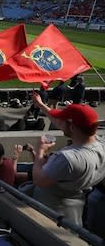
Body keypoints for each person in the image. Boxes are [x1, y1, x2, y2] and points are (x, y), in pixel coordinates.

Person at [29, 92, 105, 226]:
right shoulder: (100, 146)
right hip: (74, 212)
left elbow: (39, 180)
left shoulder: (66, 159)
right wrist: (41, 105)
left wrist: (40, 151)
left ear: (72, 127)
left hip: (52, 213)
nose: (59, 123)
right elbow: (60, 122)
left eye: (63, 121)